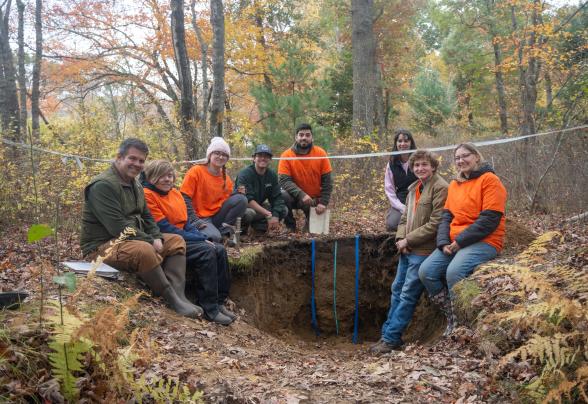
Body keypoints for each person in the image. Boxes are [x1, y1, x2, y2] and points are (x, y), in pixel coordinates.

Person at [80, 138, 201, 318]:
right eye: (132, 158)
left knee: (176, 241)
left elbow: (147, 216)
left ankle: (180, 295)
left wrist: (157, 236)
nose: (137, 164)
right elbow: (118, 228)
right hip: (103, 246)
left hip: (132, 239)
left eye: (141, 161)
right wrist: (150, 240)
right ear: (119, 157)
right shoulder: (103, 186)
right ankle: (171, 299)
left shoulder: (135, 183)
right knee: (144, 250)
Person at [419, 143, 507, 336]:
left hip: (486, 240)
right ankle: (451, 314)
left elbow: (489, 220)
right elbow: (446, 217)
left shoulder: (490, 180)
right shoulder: (455, 184)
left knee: (454, 272)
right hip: (454, 242)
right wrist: (442, 243)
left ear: (476, 156)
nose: (461, 161)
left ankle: (465, 322)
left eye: (465, 156)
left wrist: (459, 243)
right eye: (457, 158)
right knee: (426, 271)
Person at [371, 150, 448, 354]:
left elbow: (436, 223)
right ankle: (387, 334)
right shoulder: (414, 188)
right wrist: (400, 239)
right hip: (407, 248)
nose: (420, 168)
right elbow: (404, 218)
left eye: (424, 164)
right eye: (416, 166)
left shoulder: (441, 188)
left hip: (423, 250)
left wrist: (409, 239)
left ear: (433, 166)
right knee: (397, 290)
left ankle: (391, 339)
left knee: (407, 295)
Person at [143, 160, 235, 325]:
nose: (167, 179)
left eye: (170, 175)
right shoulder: (147, 195)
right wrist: (200, 239)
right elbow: (164, 227)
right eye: (162, 176)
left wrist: (201, 236)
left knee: (219, 249)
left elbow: (186, 222)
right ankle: (209, 308)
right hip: (166, 238)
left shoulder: (175, 193)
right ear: (151, 177)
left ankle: (219, 302)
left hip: (184, 234)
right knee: (206, 251)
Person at [180, 137, 248, 243]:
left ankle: (224, 232)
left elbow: (226, 198)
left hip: (217, 216)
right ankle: (215, 234)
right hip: (199, 218)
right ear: (210, 154)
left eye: (224, 155)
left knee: (241, 199)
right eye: (217, 153)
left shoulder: (226, 177)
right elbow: (184, 198)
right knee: (214, 238)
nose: (221, 157)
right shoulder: (196, 171)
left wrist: (237, 193)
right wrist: (194, 220)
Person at [278, 123, 332, 232]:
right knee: (282, 195)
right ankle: (290, 226)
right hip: (295, 197)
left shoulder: (321, 153)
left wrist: (323, 203)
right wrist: (301, 194)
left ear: (312, 138)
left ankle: (310, 222)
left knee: (313, 233)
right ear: (296, 137)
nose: (304, 138)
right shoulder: (286, 155)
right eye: (301, 135)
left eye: (307, 135)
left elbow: (327, 182)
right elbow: (284, 181)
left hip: (314, 200)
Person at [234, 144, 288, 235]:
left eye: (266, 156)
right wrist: (267, 214)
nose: (263, 158)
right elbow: (247, 200)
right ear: (254, 158)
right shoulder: (244, 174)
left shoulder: (271, 175)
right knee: (249, 213)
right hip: (242, 208)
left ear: (270, 159)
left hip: (259, 207)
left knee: (283, 210)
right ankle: (241, 233)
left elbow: (277, 197)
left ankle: (259, 230)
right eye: (260, 156)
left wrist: (275, 216)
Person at [385, 129, 417, 232]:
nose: (403, 144)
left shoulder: (419, 160)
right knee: (392, 225)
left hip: (419, 198)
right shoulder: (391, 163)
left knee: (417, 223)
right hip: (401, 199)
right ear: (396, 143)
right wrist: (401, 207)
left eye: (406, 141)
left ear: (411, 143)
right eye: (400, 141)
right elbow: (389, 190)